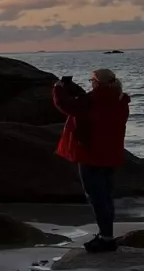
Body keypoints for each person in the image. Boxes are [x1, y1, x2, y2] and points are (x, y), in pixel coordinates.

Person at [53, 68, 130, 253]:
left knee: (96, 197)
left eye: (92, 81)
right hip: (110, 154)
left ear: (97, 83)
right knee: (106, 196)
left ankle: (106, 238)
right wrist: (73, 89)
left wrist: (58, 88)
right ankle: (106, 235)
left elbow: (67, 106)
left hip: (91, 154)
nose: (90, 83)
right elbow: (84, 103)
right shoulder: (119, 100)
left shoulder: (92, 100)